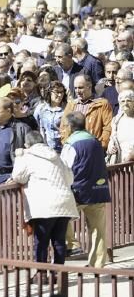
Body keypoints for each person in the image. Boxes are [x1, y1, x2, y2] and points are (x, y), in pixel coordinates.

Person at [11, 132, 78, 265]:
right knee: (59, 241)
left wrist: (19, 156)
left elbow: (18, 177)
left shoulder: (27, 157)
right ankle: (58, 274)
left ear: (27, 145)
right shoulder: (57, 156)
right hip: (64, 202)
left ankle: (41, 275)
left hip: (44, 205)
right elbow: (70, 178)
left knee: (41, 242)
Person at [61, 112, 111, 267]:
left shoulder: (71, 144)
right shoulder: (95, 140)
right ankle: (97, 264)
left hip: (78, 191)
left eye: (64, 126)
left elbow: (64, 168)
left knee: (60, 218)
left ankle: (72, 245)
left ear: (70, 126)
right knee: (98, 230)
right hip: (99, 189)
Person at [60, 74, 113, 149]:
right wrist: (67, 143)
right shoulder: (71, 105)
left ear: (89, 87)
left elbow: (108, 127)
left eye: (80, 88)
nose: (77, 91)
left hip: (95, 149)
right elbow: (64, 126)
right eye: (75, 88)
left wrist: (101, 145)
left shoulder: (102, 104)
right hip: (74, 148)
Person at [108, 89, 134, 162]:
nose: (125, 103)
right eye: (122, 101)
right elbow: (112, 139)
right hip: (119, 164)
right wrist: (111, 147)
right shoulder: (116, 121)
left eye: (128, 100)